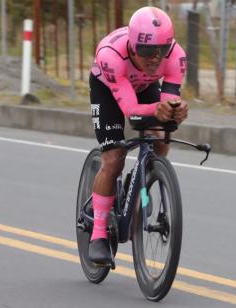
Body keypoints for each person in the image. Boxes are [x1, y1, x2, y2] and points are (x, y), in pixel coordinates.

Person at [88, 6, 188, 265]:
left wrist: (175, 110)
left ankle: (143, 176)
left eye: (161, 50)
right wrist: (160, 109)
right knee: (113, 158)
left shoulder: (175, 56)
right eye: (146, 50)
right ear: (132, 47)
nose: (155, 58)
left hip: (143, 86)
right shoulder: (111, 56)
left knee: (161, 136)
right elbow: (131, 111)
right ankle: (98, 235)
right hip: (109, 87)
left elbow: (166, 105)